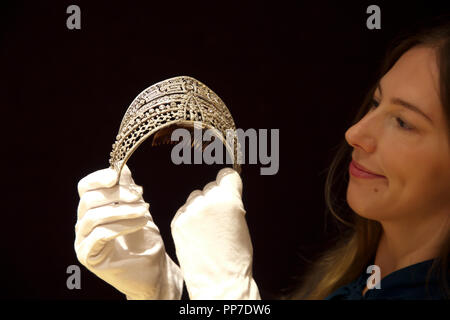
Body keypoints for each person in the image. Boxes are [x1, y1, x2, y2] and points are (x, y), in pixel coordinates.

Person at [74, 16, 450, 300]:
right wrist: (164, 290)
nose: (356, 134)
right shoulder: (351, 278)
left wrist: (224, 293)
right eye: (376, 102)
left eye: (403, 122)